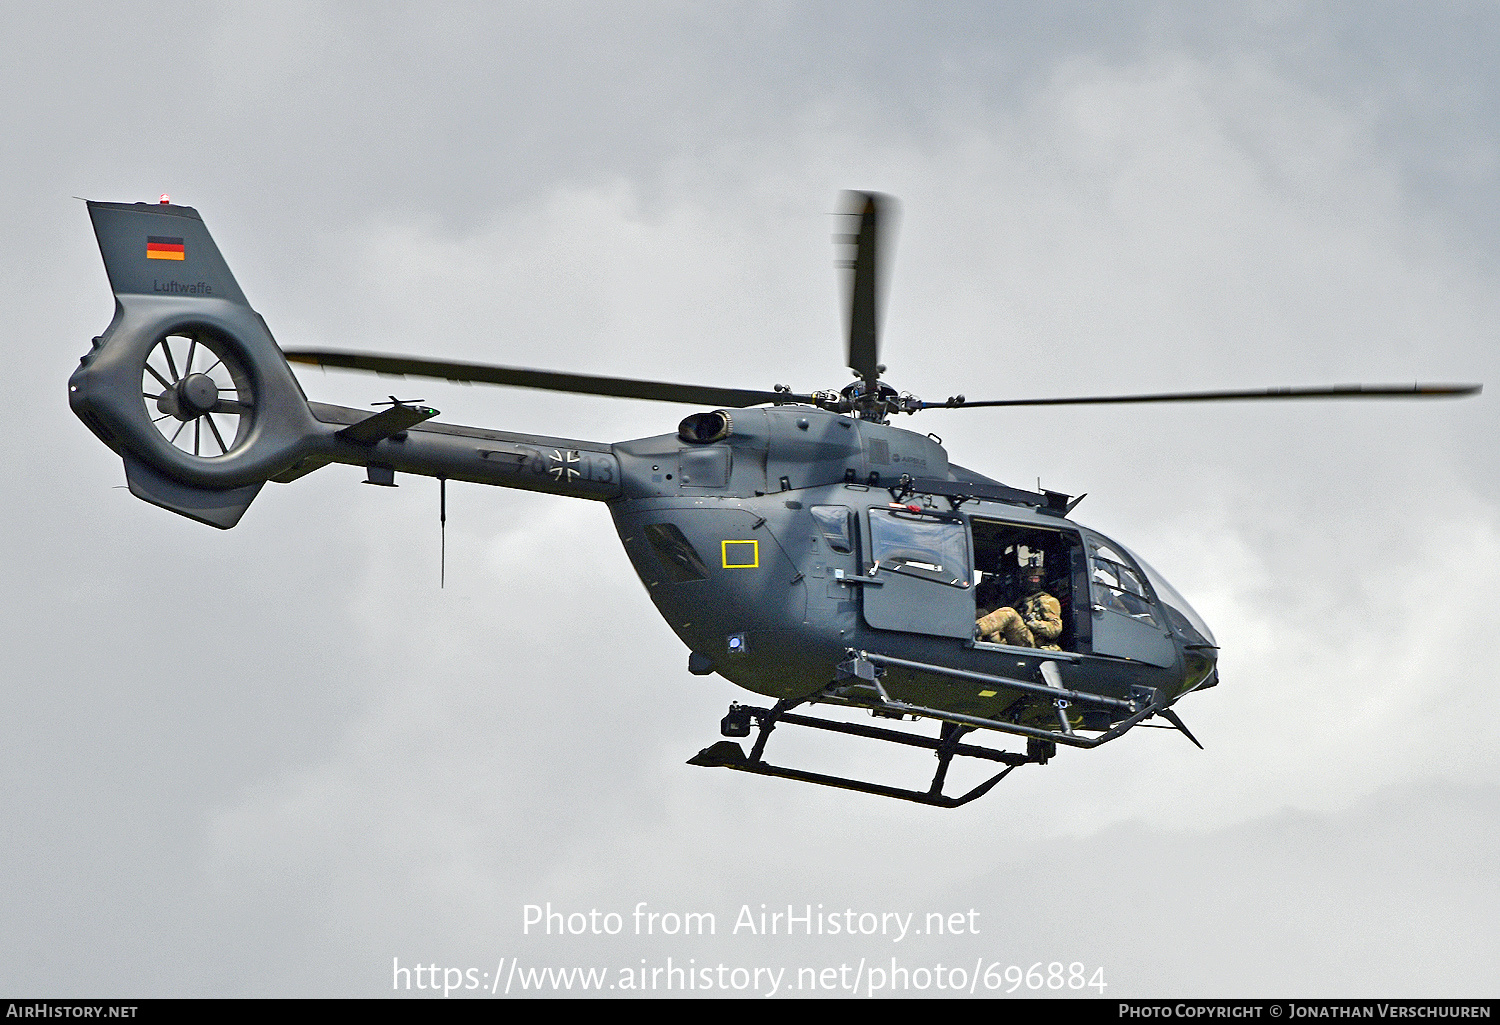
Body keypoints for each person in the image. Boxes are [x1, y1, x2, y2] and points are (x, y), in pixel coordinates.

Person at [975, 557, 1063, 651]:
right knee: (982, 612)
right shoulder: (1021, 600)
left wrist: (1032, 622)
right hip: (1011, 639)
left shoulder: (1047, 600)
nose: (1033, 582)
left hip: (1031, 644)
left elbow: (1055, 629)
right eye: (1030, 579)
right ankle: (970, 632)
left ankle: (974, 631)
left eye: (1036, 579)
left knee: (1010, 613)